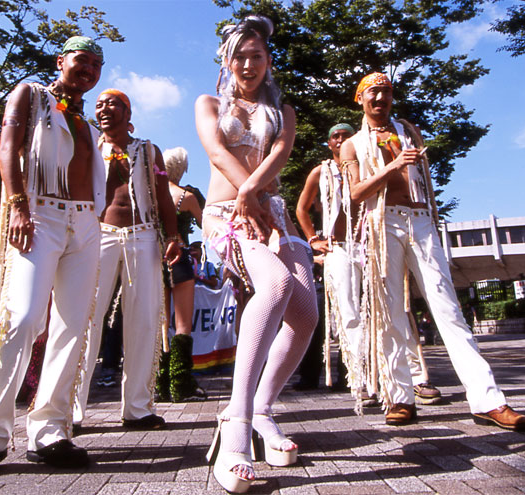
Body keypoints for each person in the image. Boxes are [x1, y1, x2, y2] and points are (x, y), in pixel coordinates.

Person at [0, 36, 106, 483]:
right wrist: (18, 205)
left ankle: (50, 431)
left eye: (96, 64)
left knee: (73, 326)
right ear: (60, 62)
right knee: (24, 316)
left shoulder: (89, 125)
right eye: (81, 61)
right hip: (39, 215)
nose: (88, 69)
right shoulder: (30, 95)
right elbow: (7, 150)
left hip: (86, 225)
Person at [340, 72, 525, 430]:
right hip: (382, 224)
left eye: (386, 92)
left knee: (448, 309)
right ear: (360, 98)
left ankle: (488, 400)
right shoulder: (351, 145)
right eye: (373, 92)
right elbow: (355, 194)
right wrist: (395, 166)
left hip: (421, 221)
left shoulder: (408, 131)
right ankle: (399, 398)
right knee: (390, 313)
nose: (380, 98)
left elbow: (423, 179)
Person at [195, 15, 318, 493]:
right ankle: (236, 427)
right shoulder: (208, 102)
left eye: (257, 55)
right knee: (276, 285)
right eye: (239, 56)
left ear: (268, 61)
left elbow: (282, 152)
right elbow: (215, 149)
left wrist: (256, 191)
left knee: (306, 313)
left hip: (273, 213)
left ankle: (264, 411)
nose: (248, 63)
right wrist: (244, 193)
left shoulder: (282, 108)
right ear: (227, 61)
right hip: (226, 211)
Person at [296, 124, 441, 412]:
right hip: (340, 247)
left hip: (374, 240)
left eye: (345, 135)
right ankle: (363, 383)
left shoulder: (369, 160)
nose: (340, 140)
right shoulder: (320, 172)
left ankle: (416, 378)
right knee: (349, 315)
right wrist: (313, 239)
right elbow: (302, 207)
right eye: (335, 136)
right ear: (328, 143)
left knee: (394, 308)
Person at [72, 88, 182, 432]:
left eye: (112, 103)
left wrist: (174, 236)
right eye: (99, 104)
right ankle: (70, 409)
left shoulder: (149, 151)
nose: (103, 108)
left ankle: (137, 407)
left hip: (144, 235)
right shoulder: (89, 144)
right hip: (99, 235)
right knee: (87, 318)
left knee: (144, 321)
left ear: (127, 111)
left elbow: (163, 194)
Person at [156, 147, 207, 403]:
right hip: (181, 257)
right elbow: (205, 223)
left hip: (156, 256)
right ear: (182, 167)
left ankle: (161, 382)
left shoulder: (152, 194)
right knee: (183, 323)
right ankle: (181, 383)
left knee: (161, 323)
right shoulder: (185, 197)